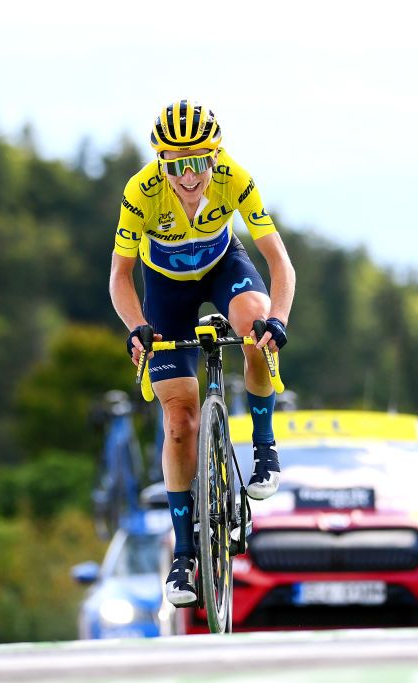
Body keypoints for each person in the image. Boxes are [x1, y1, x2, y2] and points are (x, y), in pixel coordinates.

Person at [109, 100, 296, 605]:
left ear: (215, 159)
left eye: (198, 163)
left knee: (254, 326)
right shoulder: (141, 192)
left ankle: (263, 446)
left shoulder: (235, 178)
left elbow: (279, 262)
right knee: (179, 421)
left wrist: (277, 320)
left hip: (222, 266)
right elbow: (120, 277)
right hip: (166, 289)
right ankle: (185, 555)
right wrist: (138, 329)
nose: (188, 176)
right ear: (161, 164)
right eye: (175, 164)